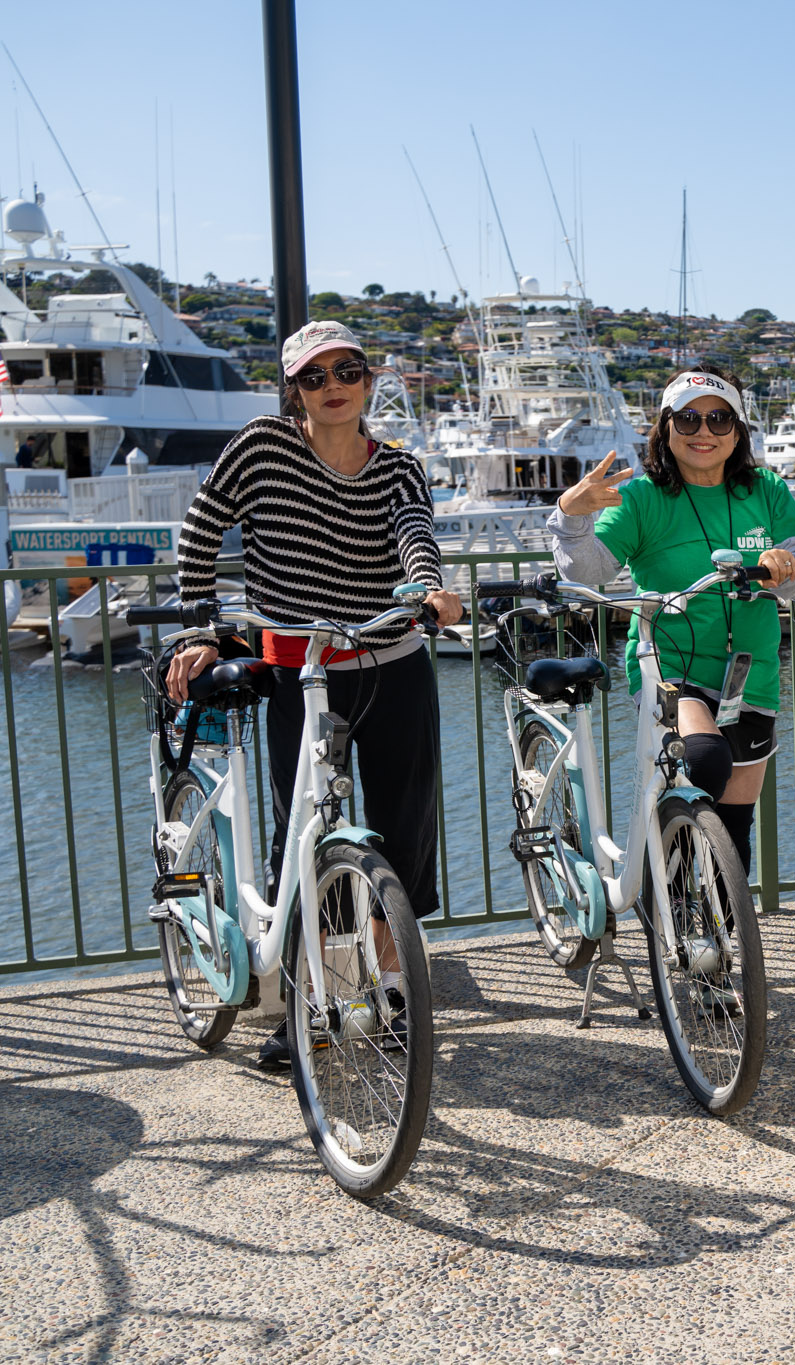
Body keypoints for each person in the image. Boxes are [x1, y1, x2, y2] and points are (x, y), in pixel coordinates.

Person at [169, 320, 461, 1070]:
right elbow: (200, 531)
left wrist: (429, 588)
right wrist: (202, 630)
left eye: (347, 371)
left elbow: (415, 535)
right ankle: (313, 1000)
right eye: (314, 376)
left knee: (403, 833)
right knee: (301, 832)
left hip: (391, 659)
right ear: (292, 388)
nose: (333, 387)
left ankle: (390, 990)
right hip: (302, 670)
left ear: (368, 381)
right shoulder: (262, 447)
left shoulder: (399, 468)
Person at [549, 366, 795, 885]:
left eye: (719, 419)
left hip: (753, 673)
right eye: (688, 419)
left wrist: (789, 564)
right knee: (705, 758)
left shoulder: (765, 489)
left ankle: (714, 929)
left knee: (734, 831)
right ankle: (663, 886)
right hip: (671, 665)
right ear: (665, 429)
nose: (704, 431)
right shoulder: (643, 496)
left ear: (737, 431)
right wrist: (571, 515)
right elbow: (587, 570)